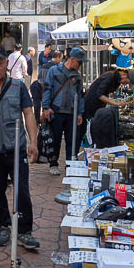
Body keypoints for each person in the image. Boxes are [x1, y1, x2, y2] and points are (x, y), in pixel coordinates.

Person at [0, 45, 41, 250]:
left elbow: (28, 113)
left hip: (16, 146)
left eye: (0, 63)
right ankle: (3, 226)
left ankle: (24, 231)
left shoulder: (19, 87)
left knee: (22, 190)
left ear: (7, 64)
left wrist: (33, 141)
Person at [42, 47, 85, 175]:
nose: (80, 65)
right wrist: (46, 107)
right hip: (56, 111)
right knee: (54, 139)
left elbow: (80, 95)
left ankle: (70, 164)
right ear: (72, 59)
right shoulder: (54, 71)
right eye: (80, 62)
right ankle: (53, 164)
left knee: (72, 140)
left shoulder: (77, 77)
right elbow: (47, 89)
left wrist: (80, 113)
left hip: (72, 112)